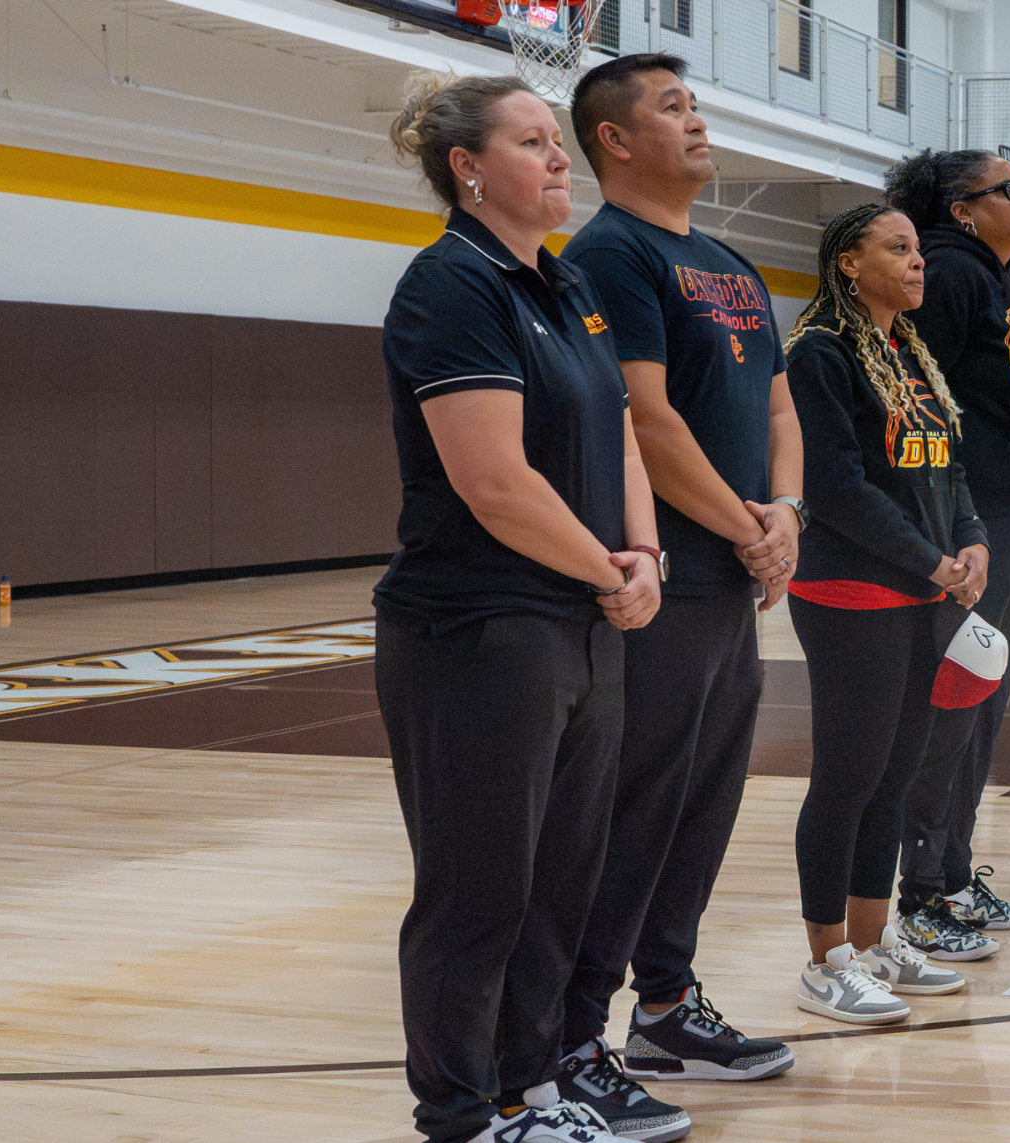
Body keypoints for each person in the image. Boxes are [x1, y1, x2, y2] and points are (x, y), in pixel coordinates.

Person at [377, 71, 672, 1143]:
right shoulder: (451, 288)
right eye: (535, 142)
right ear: (468, 168)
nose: (560, 161)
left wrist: (639, 554)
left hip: (582, 625)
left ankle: (530, 1089)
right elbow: (492, 483)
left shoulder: (564, 285)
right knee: (478, 894)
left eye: (558, 143)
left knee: (560, 885)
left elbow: (626, 434)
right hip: (477, 632)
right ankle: (460, 1115)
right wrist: (608, 570)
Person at [558, 52, 805, 1124]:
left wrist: (784, 513)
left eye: (696, 104)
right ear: (614, 138)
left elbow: (782, 410)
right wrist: (745, 530)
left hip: (731, 578)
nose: (696, 122)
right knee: (634, 809)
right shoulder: (609, 256)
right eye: (672, 108)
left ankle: (663, 1005)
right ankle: (571, 1036)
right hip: (667, 579)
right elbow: (644, 423)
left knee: (700, 805)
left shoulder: (731, 263)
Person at [784, 204, 987, 1023]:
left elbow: (952, 470)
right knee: (848, 775)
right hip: (851, 591)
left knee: (896, 775)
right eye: (896, 248)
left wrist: (968, 541)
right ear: (847, 263)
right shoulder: (820, 354)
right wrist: (928, 556)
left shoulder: (908, 351)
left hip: (924, 589)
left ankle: (873, 942)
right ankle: (825, 958)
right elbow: (834, 486)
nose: (917, 261)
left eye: (917, 249)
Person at [887, 147, 1010, 958]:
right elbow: (922, 399)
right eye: (1009, 190)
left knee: (984, 703)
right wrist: (954, 524)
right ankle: (920, 889)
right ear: (961, 208)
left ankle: (955, 871)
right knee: (951, 704)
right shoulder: (951, 276)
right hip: (982, 522)